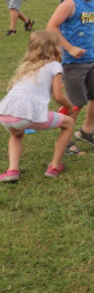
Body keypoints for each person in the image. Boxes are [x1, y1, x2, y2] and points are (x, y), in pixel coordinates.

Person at [46, 0, 94, 152]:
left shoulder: (89, 0)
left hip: (90, 59)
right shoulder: (69, 3)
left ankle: (86, 131)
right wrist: (70, 48)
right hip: (72, 63)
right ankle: (64, 141)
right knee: (75, 104)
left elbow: (83, 29)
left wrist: (90, 48)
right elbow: (52, 27)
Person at [0, 31, 77, 182]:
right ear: (55, 48)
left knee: (16, 134)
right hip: (27, 115)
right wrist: (70, 107)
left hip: (5, 114)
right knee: (69, 123)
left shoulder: (27, 66)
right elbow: (59, 97)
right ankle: (55, 166)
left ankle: (12, 171)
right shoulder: (55, 65)